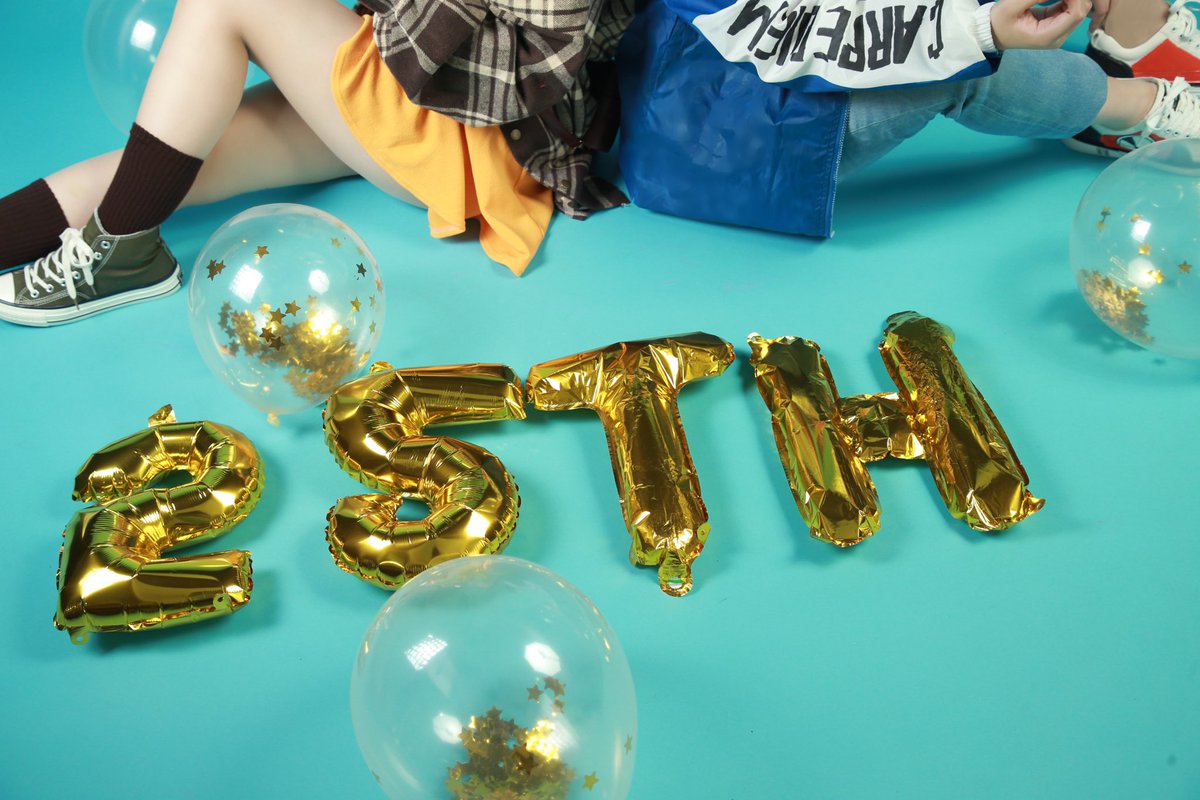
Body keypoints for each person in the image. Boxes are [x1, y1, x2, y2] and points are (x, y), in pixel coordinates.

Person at [0, 0, 631, 327]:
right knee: (146, 178)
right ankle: (118, 244)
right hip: (404, 74)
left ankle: (122, 258)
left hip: (476, 133)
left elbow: (537, 62)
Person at [617, 0, 1200, 237]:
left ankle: (1132, 44)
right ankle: (1134, 108)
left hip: (762, 75)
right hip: (721, 131)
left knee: (958, 40)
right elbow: (799, 40)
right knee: (960, 69)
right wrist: (980, 30)